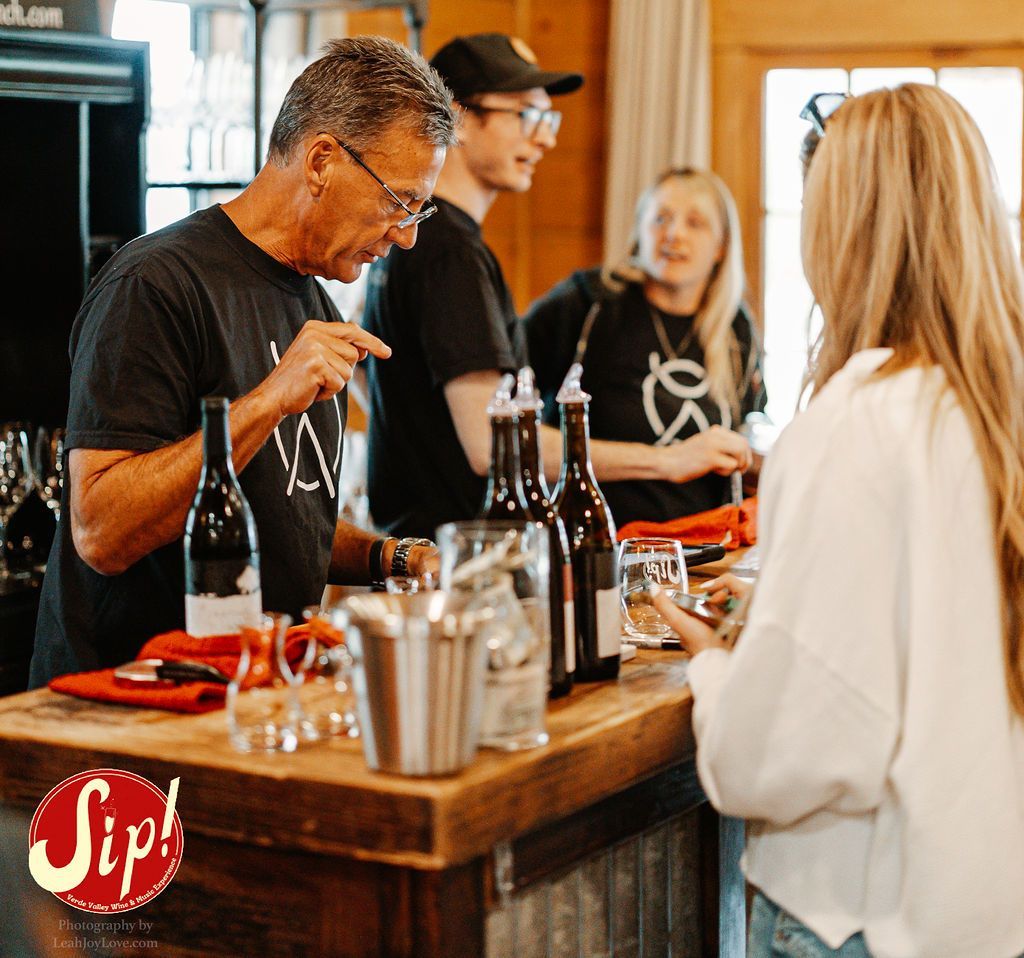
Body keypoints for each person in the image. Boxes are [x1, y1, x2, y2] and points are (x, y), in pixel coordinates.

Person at [653, 84, 1024, 958]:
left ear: (842, 231)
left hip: (863, 908)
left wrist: (717, 672)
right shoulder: (995, 408)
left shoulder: (859, 423)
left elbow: (799, 742)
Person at [30, 36, 456, 686]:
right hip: (128, 710)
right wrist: (267, 400)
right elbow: (100, 529)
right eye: (399, 201)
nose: (407, 235)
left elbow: (286, 520)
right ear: (321, 162)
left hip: (254, 700)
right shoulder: (153, 284)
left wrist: (394, 557)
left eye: (418, 209)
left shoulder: (316, 302)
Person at [362, 34, 747, 539]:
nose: (545, 139)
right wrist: (668, 462)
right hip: (454, 558)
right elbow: (490, 446)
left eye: (548, 119)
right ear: (457, 118)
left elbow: (369, 372)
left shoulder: (417, 237)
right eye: (526, 116)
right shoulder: (451, 254)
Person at [523, 168, 764, 526]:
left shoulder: (736, 326)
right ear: (640, 231)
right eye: (661, 218)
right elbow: (508, 430)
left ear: (721, 247)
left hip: (705, 551)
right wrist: (669, 461)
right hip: (597, 544)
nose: (674, 234)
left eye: (695, 223)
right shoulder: (585, 304)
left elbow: (748, 429)